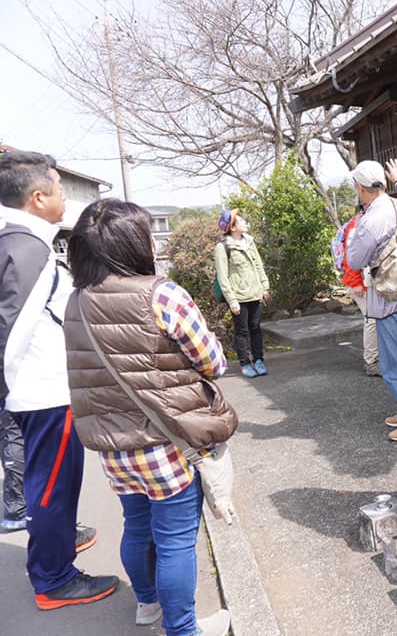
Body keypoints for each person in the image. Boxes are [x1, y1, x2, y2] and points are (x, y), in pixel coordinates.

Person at [63, 198, 235, 636]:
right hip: (166, 442)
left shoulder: (75, 303)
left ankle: (147, 606)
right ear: (135, 245)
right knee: (177, 541)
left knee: (136, 526)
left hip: (113, 448)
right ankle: (183, 629)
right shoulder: (161, 293)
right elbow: (212, 363)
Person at [0, 150, 117, 609]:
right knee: (51, 485)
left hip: (38, 389)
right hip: (41, 390)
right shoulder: (26, 249)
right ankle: (54, 578)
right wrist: (11, 394)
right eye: (60, 189)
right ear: (37, 197)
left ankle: (59, 540)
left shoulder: (21, 241)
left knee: (53, 481)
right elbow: (13, 331)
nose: (66, 198)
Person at [346, 159, 397, 441]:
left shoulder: (369, 221)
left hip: (389, 299)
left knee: (394, 364)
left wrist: (357, 226)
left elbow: (354, 260)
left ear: (360, 187)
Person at [214, 208, 270, 378]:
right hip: (238, 295)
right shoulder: (222, 247)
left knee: (256, 328)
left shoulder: (250, 242)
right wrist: (232, 300)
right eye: (241, 221)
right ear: (232, 227)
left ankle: (259, 360)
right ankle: (245, 363)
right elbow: (223, 277)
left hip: (254, 292)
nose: (245, 222)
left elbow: (258, 265)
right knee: (242, 330)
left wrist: (264, 286)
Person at [341, 202, 380, 377]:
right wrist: (356, 282)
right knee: (371, 319)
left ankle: (376, 358)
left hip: (366, 280)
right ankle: (371, 361)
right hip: (359, 281)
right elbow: (351, 257)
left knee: (374, 319)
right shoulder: (356, 226)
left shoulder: (359, 223)